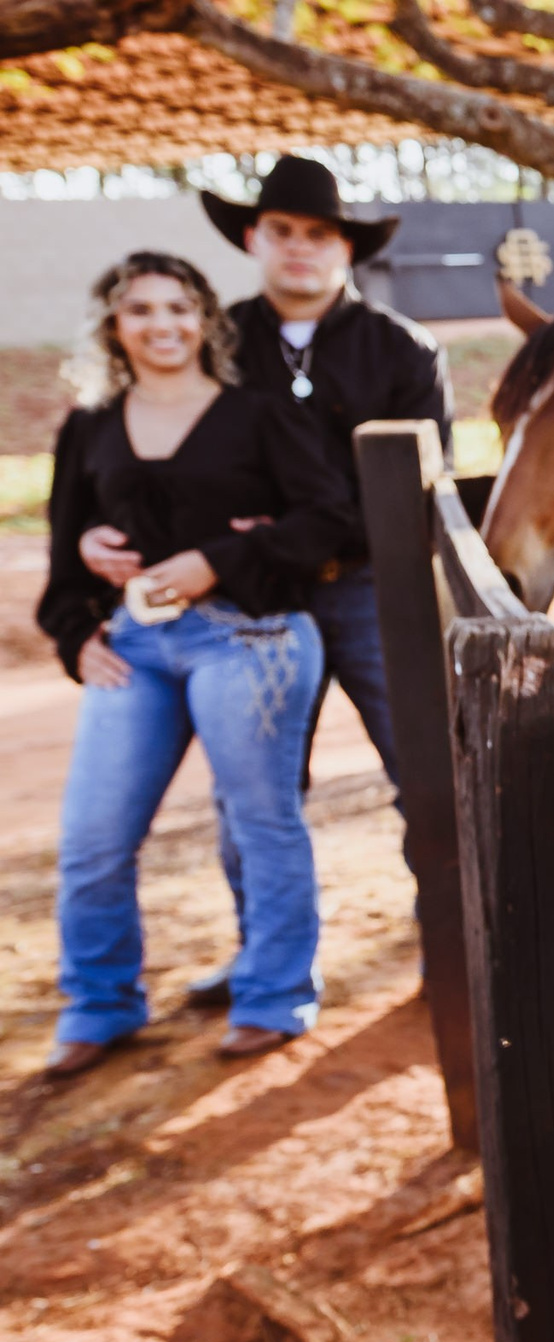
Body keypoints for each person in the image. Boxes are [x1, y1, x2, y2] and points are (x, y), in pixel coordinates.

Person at [78, 155, 450, 1008]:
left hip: (373, 590)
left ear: (346, 247)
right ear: (253, 237)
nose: (299, 247)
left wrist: (286, 531)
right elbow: (163, 464)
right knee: (250, 791)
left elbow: (422, 489)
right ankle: (265, 959)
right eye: (282, 230)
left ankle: (451, 942)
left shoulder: (402, 350)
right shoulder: (219, 345)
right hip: (250, 602)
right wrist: (101, 538)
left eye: (319, 233)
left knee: (425, 770)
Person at [37, 253, 356, 1080]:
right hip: (135, 648)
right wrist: (76, 632)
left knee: (259, 821)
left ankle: (274, 992)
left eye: (179, 307)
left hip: (251, 637)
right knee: (94, 838)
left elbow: (329, 519)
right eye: (141, 310)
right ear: (115, 327)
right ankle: (100, 1002)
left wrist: (219, 558)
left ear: (205, 321)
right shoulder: (90, 427)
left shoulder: (260, 415)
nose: (163, 325)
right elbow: (65, 558)